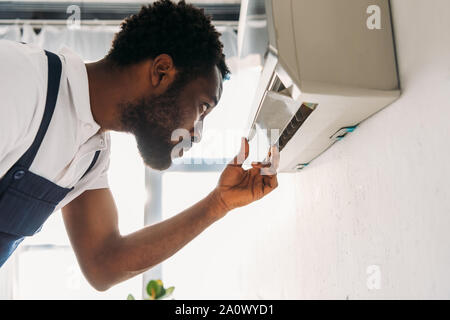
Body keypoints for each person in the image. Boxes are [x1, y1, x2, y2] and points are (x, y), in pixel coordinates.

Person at [0, 0, 278, 290]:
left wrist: (218, 204)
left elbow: (104, 264)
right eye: (202, 107)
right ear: (161, 71)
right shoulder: (22, 80)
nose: (197, 134)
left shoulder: (92, 155)